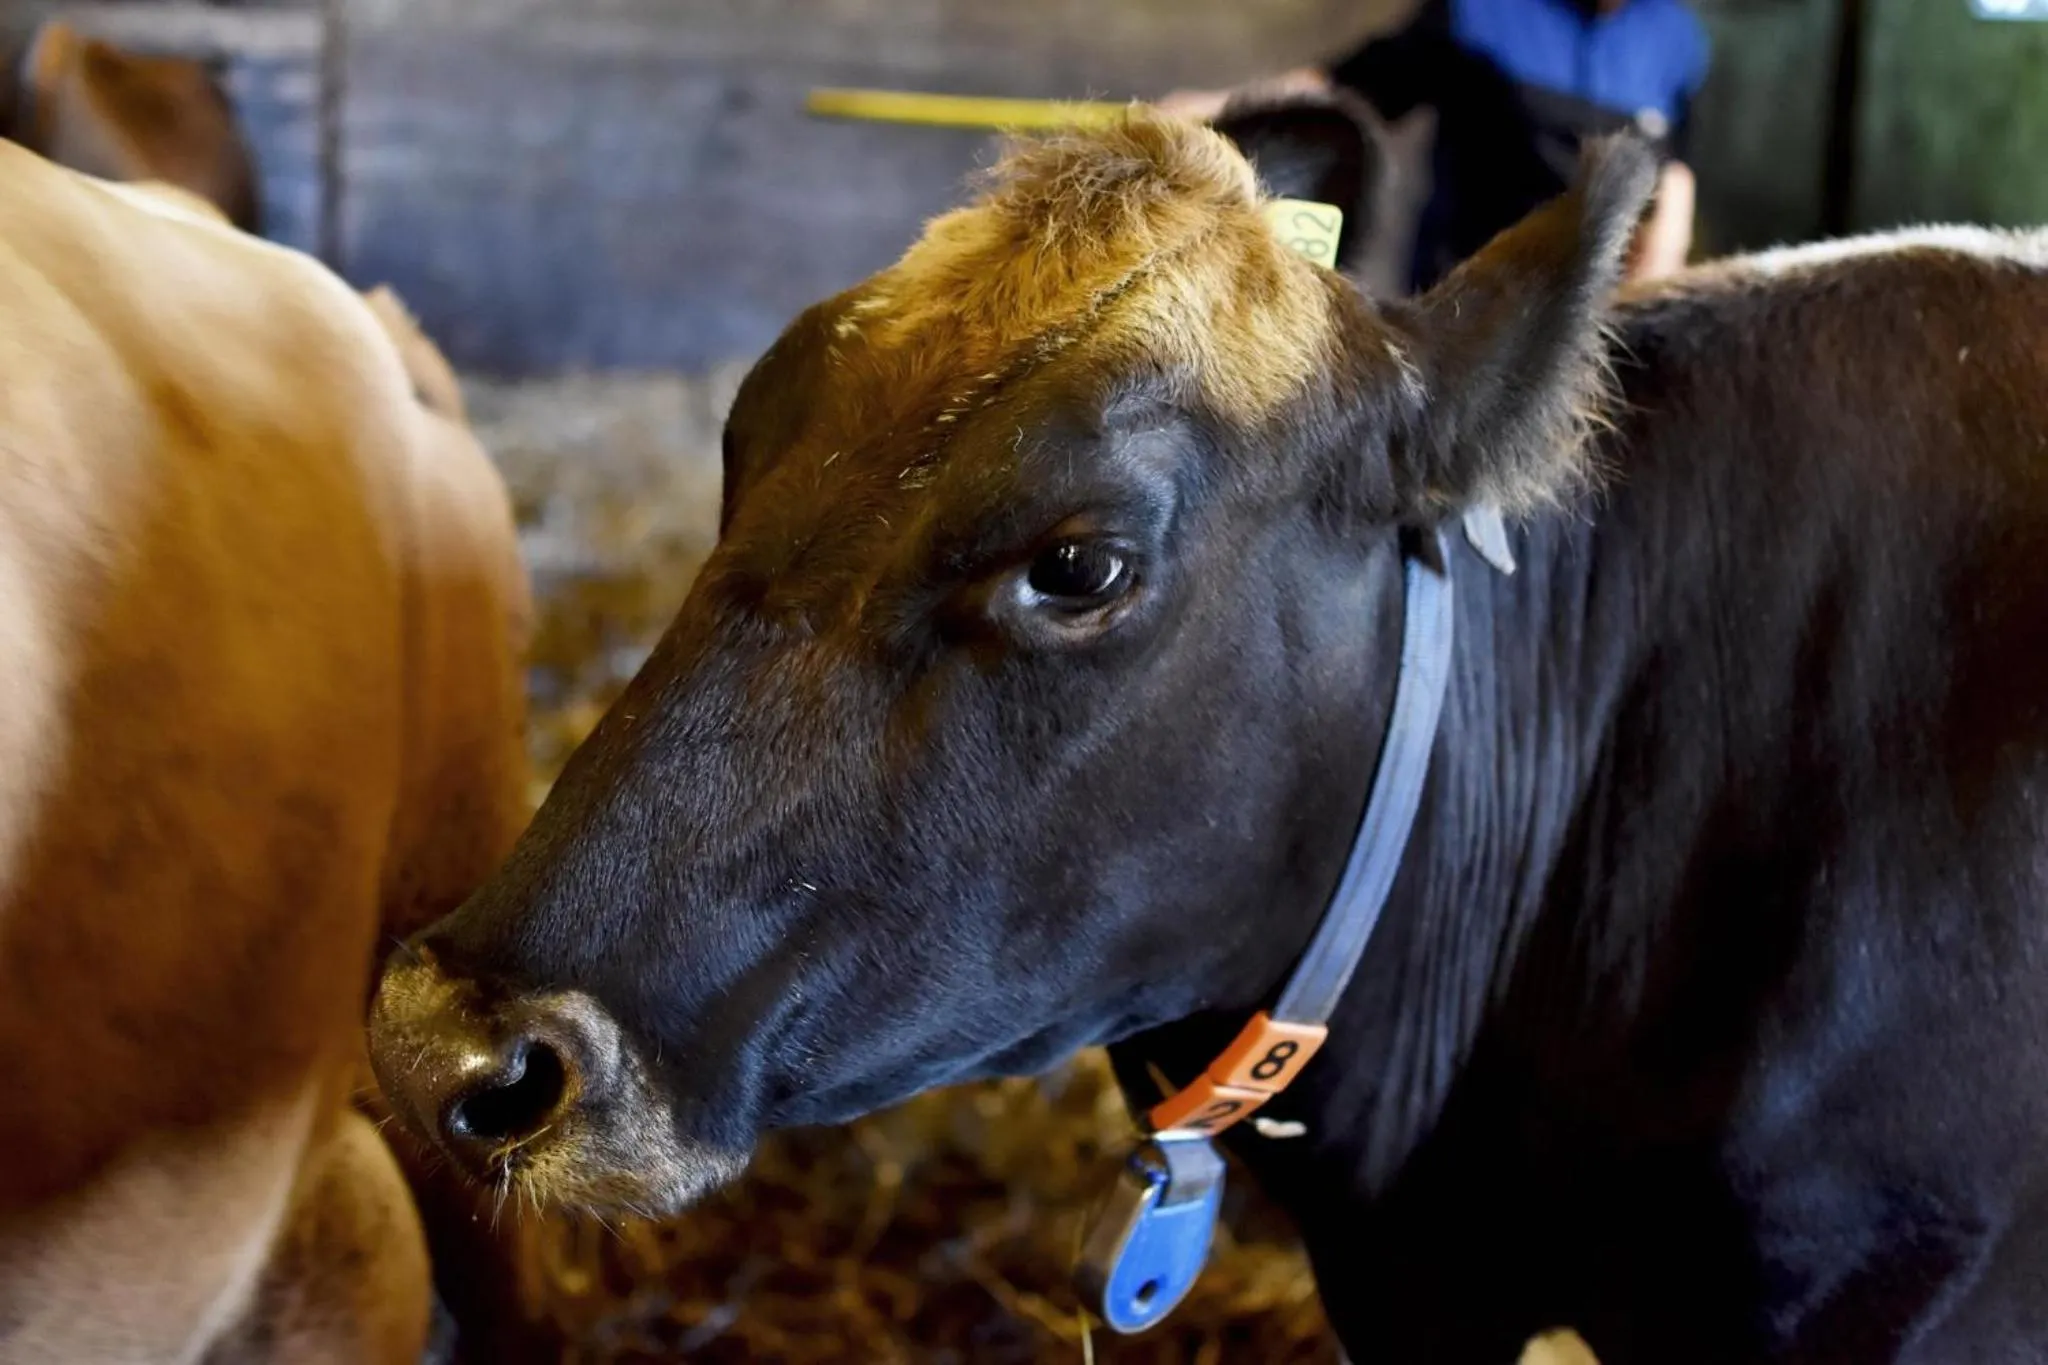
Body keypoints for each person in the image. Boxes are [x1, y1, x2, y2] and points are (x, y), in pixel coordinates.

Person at [1161, 0, 1709, 289]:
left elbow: (1675, 165)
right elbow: (1345, 90)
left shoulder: (1676, 38)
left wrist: (1660, 264)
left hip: (1603, 313)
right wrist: (1219, 109)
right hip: (1472, 306)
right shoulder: (1478, 10)